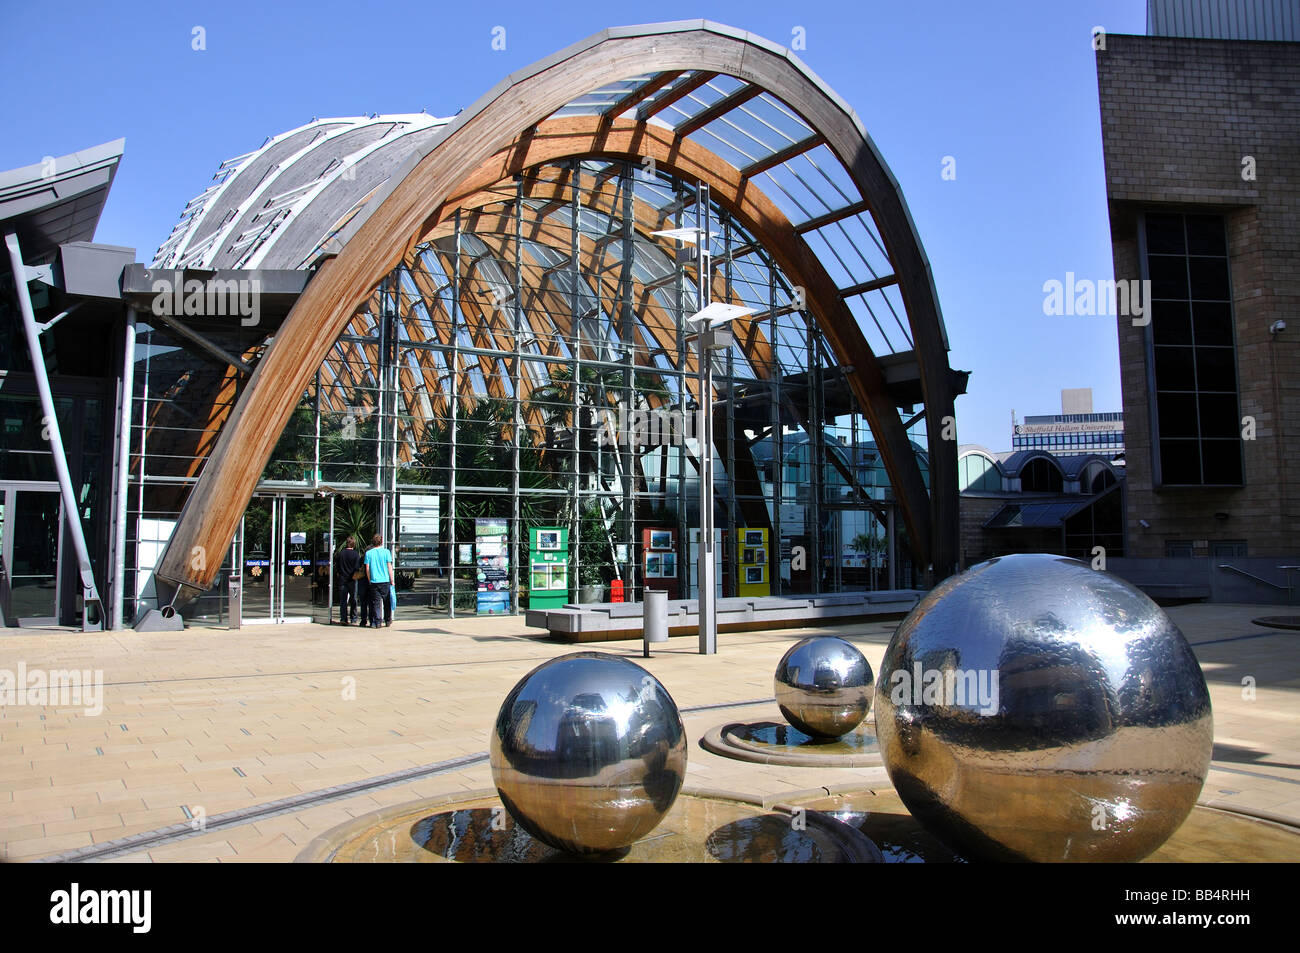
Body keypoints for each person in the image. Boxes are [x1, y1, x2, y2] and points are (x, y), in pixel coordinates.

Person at [364, 533, 395, 628]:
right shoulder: (386, 552)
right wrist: (392, 580)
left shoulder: (368, 553)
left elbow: (367, 569)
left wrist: (370, 579)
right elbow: (389, 566)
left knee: (376, 602)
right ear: (381, 542)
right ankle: (388, 620)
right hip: (385, 580)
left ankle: (377, 621)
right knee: (386, 601)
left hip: (374, 581)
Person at [333, 537, 363, 625]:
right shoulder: (355, 554)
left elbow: (337, 566)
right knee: (353, 599)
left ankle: (343, 618)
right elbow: (357, 567)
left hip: (343, 579)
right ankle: (353, 618)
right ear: (354, 544)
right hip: (352, 580)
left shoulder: (341, 554)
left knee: (343, 600)